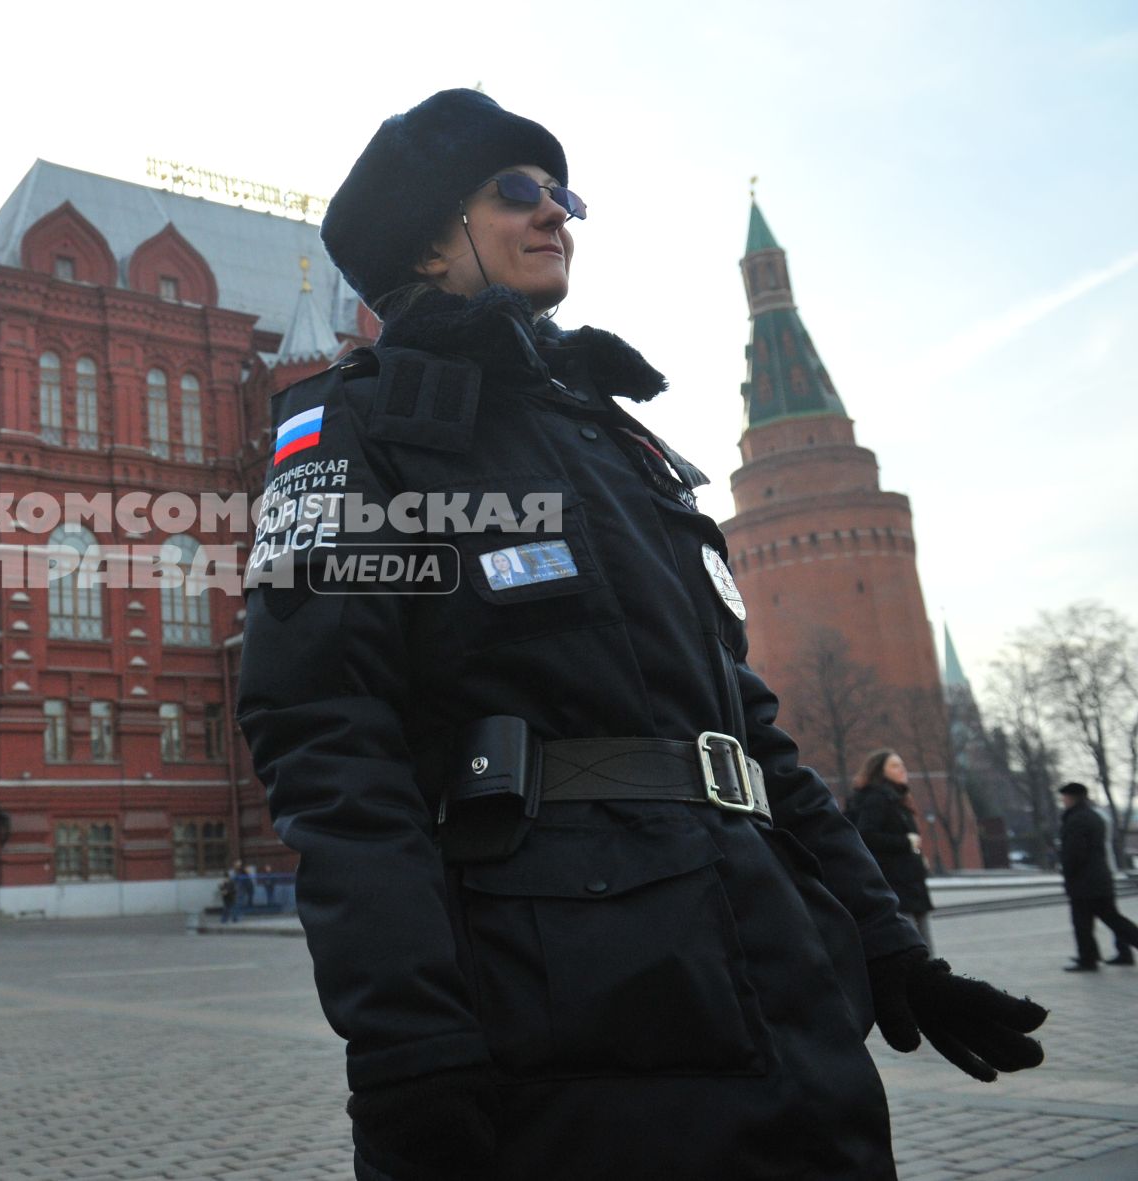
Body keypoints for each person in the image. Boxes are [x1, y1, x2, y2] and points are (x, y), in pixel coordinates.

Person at [236, 88, 1049, 1180]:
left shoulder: (623, 444)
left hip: (784, 998)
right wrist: (410, 1041)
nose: (555, 211)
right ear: (430, 236)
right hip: (570, 1019)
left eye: (564, 192)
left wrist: (890, 949)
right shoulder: (361, 426)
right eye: (516, 190)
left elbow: (747, 736)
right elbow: (328, 740)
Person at [848, 749, 936, 954]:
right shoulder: (877, 798)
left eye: (902, 765)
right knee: (916, 945)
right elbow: (866, 835)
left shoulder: (895, 797)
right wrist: (905, 842)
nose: (902, 769)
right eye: (895, 766)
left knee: (922, 942)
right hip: (897, 883)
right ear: (880, 771)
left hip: (909, 883)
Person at [1059, 782, 1138, 971]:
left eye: (1065, 797)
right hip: (1099, 877)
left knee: (1082, 922)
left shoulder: (1076, 819)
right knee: (1113, 918)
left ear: (1072, 797)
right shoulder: (1094, 816)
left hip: (1084, 880)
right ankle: (1120, 953)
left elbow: (1075, 852)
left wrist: (1067, 871)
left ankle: (1088, 958)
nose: (1063, 801)